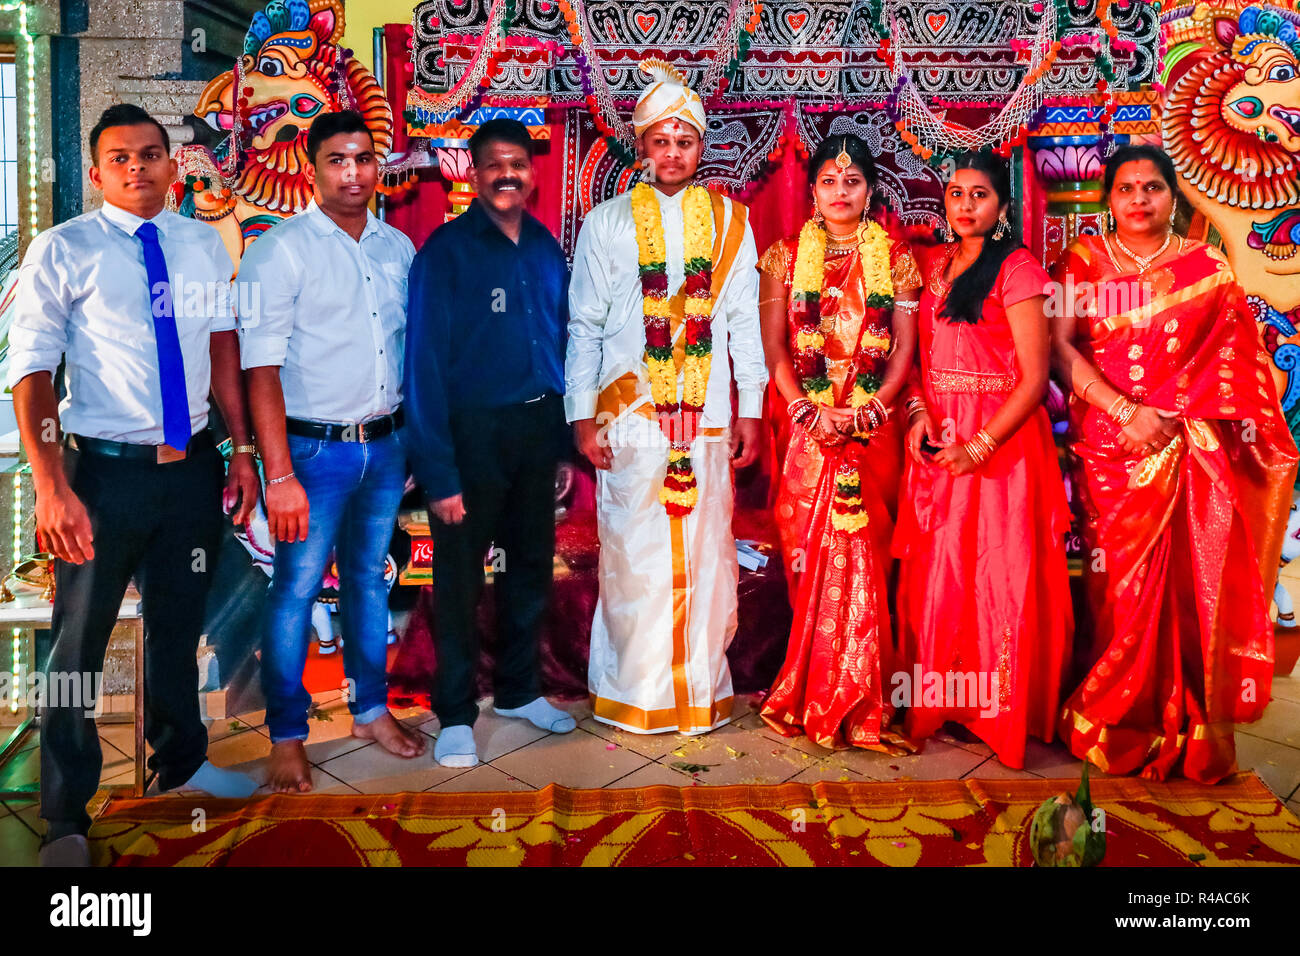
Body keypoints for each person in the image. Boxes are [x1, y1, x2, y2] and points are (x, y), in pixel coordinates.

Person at [9, 104, 261, 866]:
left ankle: (181, 765)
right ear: (96, 172)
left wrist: (241, 448)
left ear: (173, 164)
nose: (137, 168)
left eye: (151, 154)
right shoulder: (63, 250)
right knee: (76, 647)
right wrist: (51, 485)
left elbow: (222, 349)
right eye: (119, 158)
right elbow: (30, 373)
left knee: (178, 630)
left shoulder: (201, 245)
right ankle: (64, 816)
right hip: (100, 477)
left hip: (188, 474)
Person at [1050, 144, 1297, 783]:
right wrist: (1125, 413)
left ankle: (1184, 720)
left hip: (1187, 447)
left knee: (1191, 589)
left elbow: (1233, 360)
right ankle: (1112, 716)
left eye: (1152, 187)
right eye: (1126, 188)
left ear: (1172, 194)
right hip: (1110, 449)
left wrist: (1167, 414)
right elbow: (1061, 350)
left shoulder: (1206, 266)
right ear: (1108, 198)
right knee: (1119, 593)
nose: (1139, 199)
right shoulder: (1082, 263)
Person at [566, 59, 767, 734]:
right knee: (632, 555)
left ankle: (700, 691)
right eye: (661, 140)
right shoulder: (606, 224)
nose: (673, 152)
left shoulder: (733, 221)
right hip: (629, 418)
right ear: (642, 145)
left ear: (700, 147)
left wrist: (752, 411)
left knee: (708, 556)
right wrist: (581, 415)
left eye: (685, 140)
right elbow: (584, 326)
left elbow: (743, 323)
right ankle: (637, 693)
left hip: (706, 419)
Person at [237, 109, 424, 793]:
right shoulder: (279, 250)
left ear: (380, 166)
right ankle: (287, 734)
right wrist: (277, 472)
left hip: (385, 445)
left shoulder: (396, 248)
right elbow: (259, 370)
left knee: (371, 583)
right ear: (313, 168)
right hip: (311, 456)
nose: (355, 173)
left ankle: (371, 710)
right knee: (295, 590)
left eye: (365, 158)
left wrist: (409, 447)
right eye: (339, 160)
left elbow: (408, 356)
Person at [404, 118, 576, 768]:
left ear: (532, 173)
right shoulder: (443, 253)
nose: (508, 174)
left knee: (529, 567)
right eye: (494, 164)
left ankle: (519, 690)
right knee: (459, 579)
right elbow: (420, 367)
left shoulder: (542, 247)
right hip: (471, 434)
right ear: (473, 174)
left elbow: (555, 347)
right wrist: (440, 472)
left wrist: (558, 444)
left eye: (519, 164)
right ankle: (454, 713)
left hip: (535, 430)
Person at [894, 151, 1072, 770]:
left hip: (1000, 448)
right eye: (955, 193)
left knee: (999, 578)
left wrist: (981, 445)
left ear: (1002, 207)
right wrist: (916, 414)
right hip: (942, 441)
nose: (965, 205)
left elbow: (1035, 377)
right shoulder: (935, 267)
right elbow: (916, 363)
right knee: (940, 577)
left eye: (979, 195)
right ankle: (947, 702)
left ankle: (999, 712)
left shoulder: (1018, 269)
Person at [756, 133, 921, 752]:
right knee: (807, 552)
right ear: (813, 190)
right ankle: (811, 687)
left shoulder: (897, 258)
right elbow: (776, 345)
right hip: (806, 430)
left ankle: (865, 695)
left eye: (851, 182)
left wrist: (871, 408)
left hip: (873, 429)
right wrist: (804, 406)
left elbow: (903, 345)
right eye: (829, 181)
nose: (841, 192)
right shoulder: (782, 257)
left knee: (869, 552)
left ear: (870, 190)